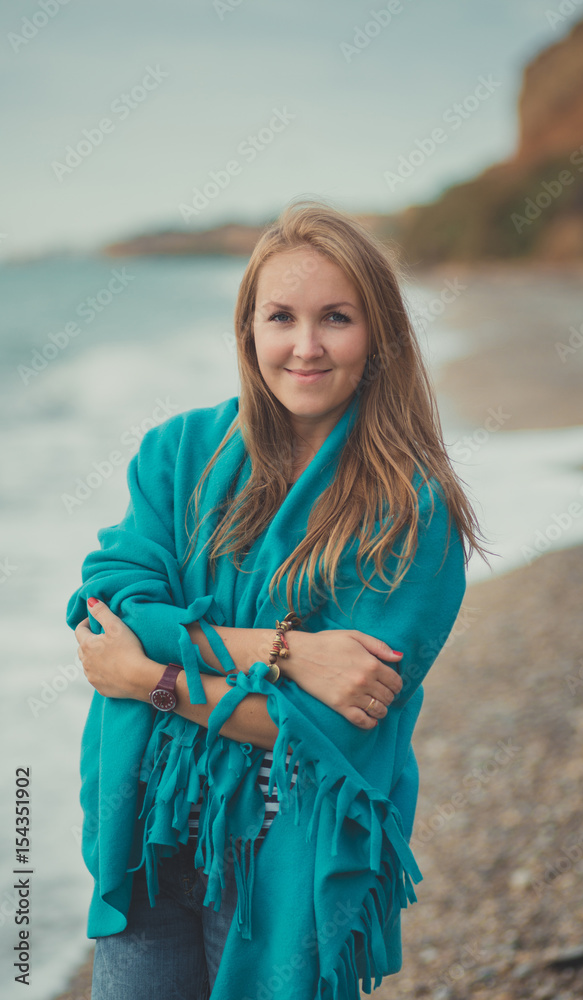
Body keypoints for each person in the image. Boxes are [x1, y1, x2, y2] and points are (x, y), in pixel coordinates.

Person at [66, 199, 488, 1000]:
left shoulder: (410, 513)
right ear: (246, 331)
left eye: (336, 318)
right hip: (147, 823)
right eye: (280, 317)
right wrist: (290, 653)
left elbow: (323, 733)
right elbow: (111, 605)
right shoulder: (177, 452)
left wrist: (149, 680)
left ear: (379, 337)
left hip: (281, 838)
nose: (304, 346)